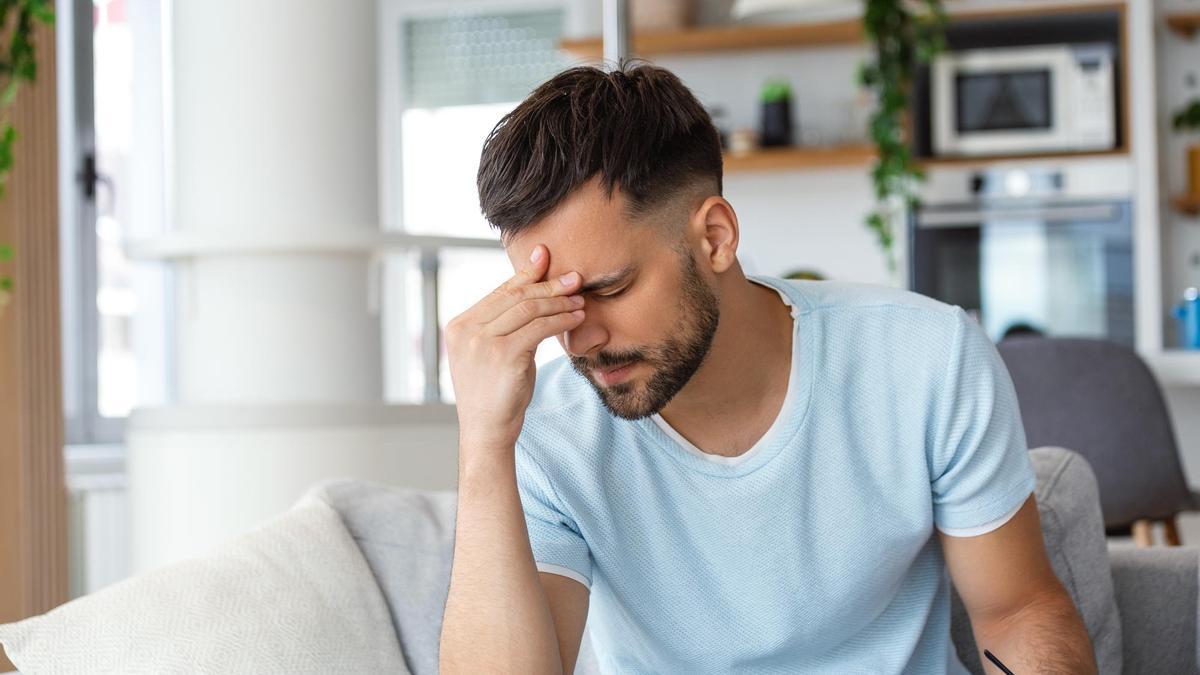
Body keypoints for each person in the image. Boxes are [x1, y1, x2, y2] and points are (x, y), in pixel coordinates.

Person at [439, 62, 1096, 674]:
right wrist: (483, 445)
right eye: (552, 305)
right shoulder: (549, 431)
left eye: (608, 289)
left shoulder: (927, 360)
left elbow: (1017, 611)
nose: (580, 339)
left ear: (716, 237)